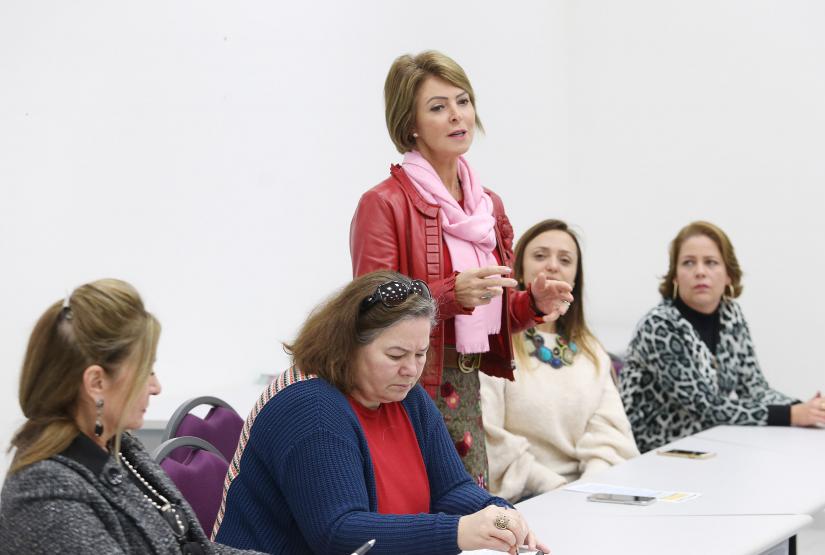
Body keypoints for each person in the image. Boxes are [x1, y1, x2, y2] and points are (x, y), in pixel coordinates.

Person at [350, 51, 572, 487]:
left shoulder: (486, 205)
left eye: (463, 101)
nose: (457, 115)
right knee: (429, 511)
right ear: (411, 124)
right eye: (438, 107)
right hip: (409, 389)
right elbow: (370, 313)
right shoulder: (383, 203)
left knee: (471, 508)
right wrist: (452, 294)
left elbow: (495, 315)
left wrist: (533, 303)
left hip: (468, 388)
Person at [214, 271, 549, 555]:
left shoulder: (406, 397)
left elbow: (451, 489)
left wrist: (499, 514)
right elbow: (339, 533)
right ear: (347, 346)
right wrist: (459, 531)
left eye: (420, 353)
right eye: (395, 355)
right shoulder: (310, 407)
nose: (411, 369)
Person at [0, 279, 262, 555]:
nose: (156, 387)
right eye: (146, 372)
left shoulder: (120, 448)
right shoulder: (46, 494)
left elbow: (194, 549)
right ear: (96, 383)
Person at [620, 221, 825, 452]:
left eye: (711, 262)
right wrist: (792, 414)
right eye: (688, 263)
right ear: (675, 277)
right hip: (653, 453)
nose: (700, 271)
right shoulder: (659, 326)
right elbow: (706, 406)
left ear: (729, 275)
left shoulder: (731, 316)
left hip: (708, 446)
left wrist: (808, 408)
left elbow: (754, 388)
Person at [480, 220, 639, 502]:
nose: (553, 266)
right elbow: (490, 438)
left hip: (590, 495)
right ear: (519, 269)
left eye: (565, 260)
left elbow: (610, 436)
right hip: (522, 499)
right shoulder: (496, 344)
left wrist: (589, 490)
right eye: (540, 256)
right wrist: (555, 489)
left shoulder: (592, 352)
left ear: (575, 279)